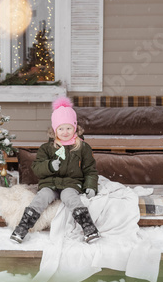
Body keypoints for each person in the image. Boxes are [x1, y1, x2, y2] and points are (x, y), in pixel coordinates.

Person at [10, 97, 100, 244]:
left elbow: (90, 169)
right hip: (50, 184)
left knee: (71, 198)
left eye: (69, 128)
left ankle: (88, 227)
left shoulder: (82, 147)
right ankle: (22, 227)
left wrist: (90, 185)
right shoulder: (47, 148)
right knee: (41, 198)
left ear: (75, 128)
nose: (65, 132)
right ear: (54, 130)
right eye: (61, 128)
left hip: (71, 184)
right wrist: (50, 166)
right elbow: (37, 168)